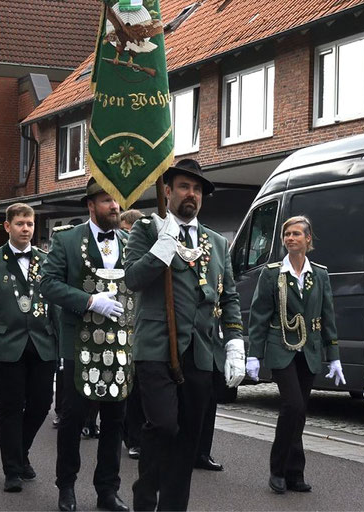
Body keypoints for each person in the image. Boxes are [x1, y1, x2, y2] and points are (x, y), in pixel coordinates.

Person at [124, 159, 246, 511]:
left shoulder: (216, 242)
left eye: (197, 189)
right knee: (163, 426)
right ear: (167, 191)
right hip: (157, 348)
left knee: (189, 438)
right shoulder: (147, 229)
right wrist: (162, 248)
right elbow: (132, 279)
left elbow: (229, 295)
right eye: (183, 187)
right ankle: (145, 498)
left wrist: (235, 341)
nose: (191, 194)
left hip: (200, 352)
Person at [41, 178, 131, 512]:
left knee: (114, 420)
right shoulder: (66, 239)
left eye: (116, 200)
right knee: (73, 418)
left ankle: (107, 490)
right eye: (106, 200)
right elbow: (48, 284)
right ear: (90, 205)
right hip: (78, 342)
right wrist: (89, 300)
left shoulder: (129, 240)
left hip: (118, 344)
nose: (114, 206)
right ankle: (66, 485)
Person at [246, 215, 346, 493]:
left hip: (310, 350)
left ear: (308, 239)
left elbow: (328, 316)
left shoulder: (320, 274)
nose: (290, 238)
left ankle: (294, 472)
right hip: (282, 348)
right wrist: (253, 354)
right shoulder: (272, 273)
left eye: (296, 234)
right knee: (293, 406)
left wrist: (334, 355)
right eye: (287, 234)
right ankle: (277, 470)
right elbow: (259, 316)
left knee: (299, 413)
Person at [0, 203, 57, 493]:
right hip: (8, 344)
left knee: (42, 403)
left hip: (42, 343)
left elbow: (55, 303)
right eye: (20, 223)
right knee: (10, 408)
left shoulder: (47, 260)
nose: (26, 229)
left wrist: (58, 343)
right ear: (7, 227)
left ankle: (21, 452)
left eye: (30, 224)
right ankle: (12, 468)